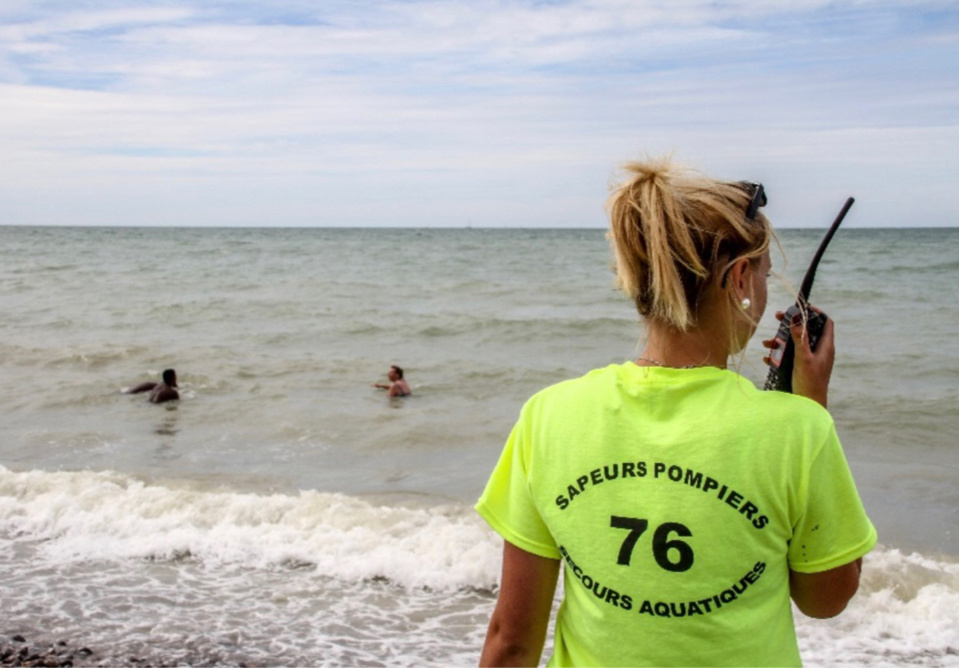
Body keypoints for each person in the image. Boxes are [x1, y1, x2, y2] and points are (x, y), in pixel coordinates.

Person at [475, 158, 876, 667]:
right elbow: (826, 598)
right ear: (738, 280)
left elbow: (511, 640)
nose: (765, 288)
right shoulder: (798, 428)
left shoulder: (548, 415)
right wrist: (811, 404)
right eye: (764, 274)